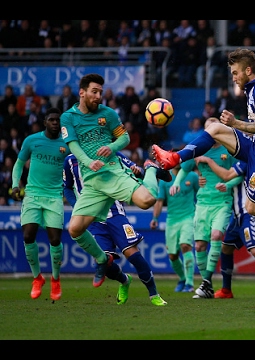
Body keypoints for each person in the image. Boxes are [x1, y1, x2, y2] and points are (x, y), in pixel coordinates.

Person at [151, 48, 255, 258]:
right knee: (216, 129)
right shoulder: (252, 89)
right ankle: (175, 158)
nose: (233, 78)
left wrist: (236, 123)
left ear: (248, 70)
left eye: (235, 73)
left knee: (253, 208)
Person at [60, 73, 161, 288]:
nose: (98, 96)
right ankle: (102, 259)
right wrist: (88, 161)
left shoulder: (108, 114)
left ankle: (151, 169)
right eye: (94, 92)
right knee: (74, 229)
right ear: (82, 93)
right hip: (92, 183)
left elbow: (123, 137)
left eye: (100, 92)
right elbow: (73, 145)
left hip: (113, 172)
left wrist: (111, 147)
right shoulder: (68, 117)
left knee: (147, 201)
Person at [64, 151, 169, 306]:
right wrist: (77, 208)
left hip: (114, 213)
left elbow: (136, 170)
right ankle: (125, 280)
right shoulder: (70, 161)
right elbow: (67, 187)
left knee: (133, 254)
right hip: (92, 217)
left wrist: (139, 170)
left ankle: (154, 294)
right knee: (103, 262)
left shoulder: (107, 152)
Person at [195, 156, 255, 301]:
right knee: (226, 248)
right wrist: (201, 176)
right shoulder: (238, 162)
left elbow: (227, 176)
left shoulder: (246, 161)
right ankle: (226, 290)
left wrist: (209, 162)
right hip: (238, 216)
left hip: (249, 214)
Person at [171, 117, 236, 298]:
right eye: (208, 130)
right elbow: (184, 168)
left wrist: (228, 186)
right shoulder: (198, 150)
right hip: (202, 203)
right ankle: (207, 284)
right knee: (199, 246)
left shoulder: (228, 150)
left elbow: (240, 173)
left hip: (222, 201)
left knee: (216, 235)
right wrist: (177, 182)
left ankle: (206, 282)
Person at [10, 107, 70, 300]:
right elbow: (19, 163)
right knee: (28, 235)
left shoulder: (67, 144)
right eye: (51, 119)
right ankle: (37, 278)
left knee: (54, 240)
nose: (55, 123)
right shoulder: (32, 140)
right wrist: (15, 185)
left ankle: (55, 279)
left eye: (57, 120)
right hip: (33, 194)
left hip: (54, 196)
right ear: (45, 122)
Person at [150, 158, 199, 294]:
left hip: (189, 216)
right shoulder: (166, 178)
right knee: (172, 255)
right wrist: (155, 218)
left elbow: (199, 194)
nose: (177, 161)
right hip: (172, 219)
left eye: (179, 158)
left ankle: (189, 283)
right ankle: (182, 278)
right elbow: (159, 201)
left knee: (185, 246)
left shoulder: (192, 176)